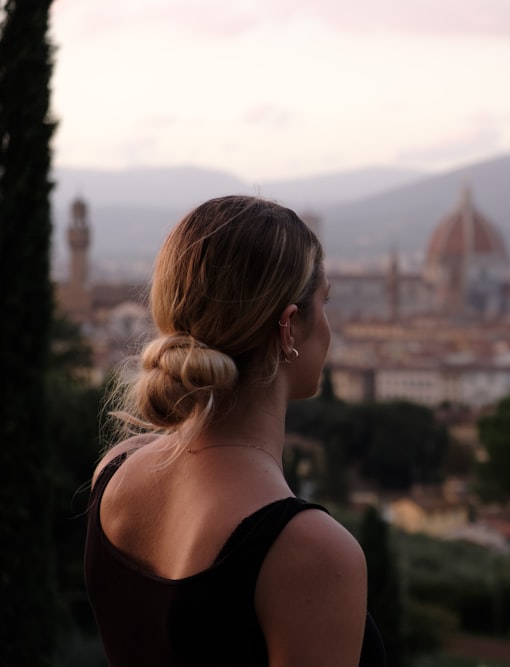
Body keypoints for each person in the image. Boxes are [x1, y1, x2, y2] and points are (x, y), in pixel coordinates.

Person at [84, 195, 385, 666]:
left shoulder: (115, 474)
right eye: (323, 303)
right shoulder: (310, 552)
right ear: (288, 328)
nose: (328, 327)